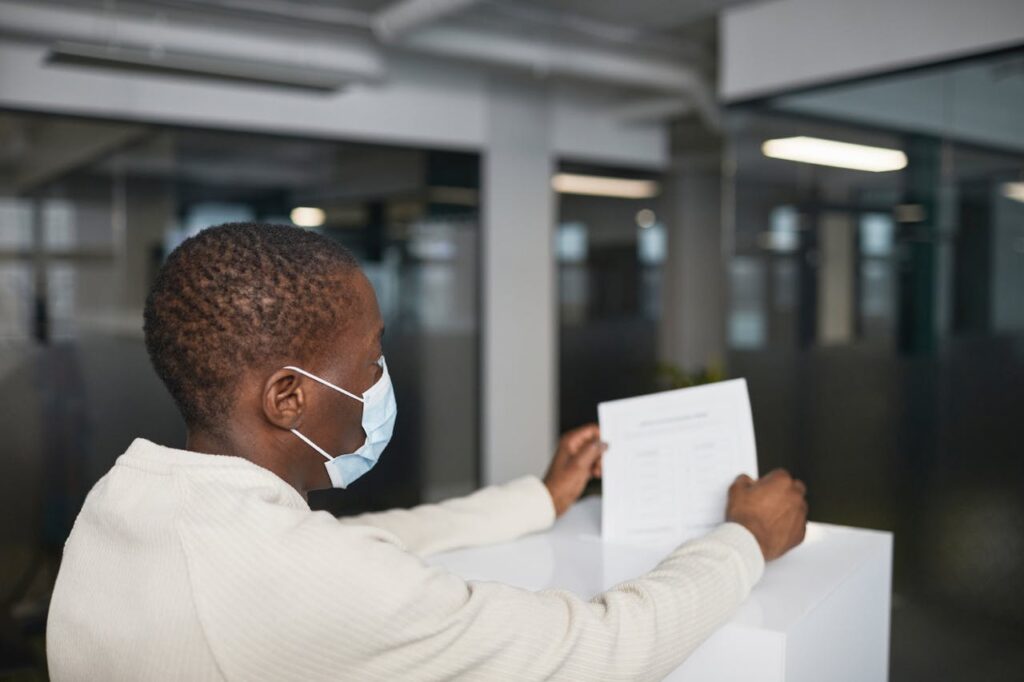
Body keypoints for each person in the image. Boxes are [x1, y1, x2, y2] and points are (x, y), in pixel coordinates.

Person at [46, 222, 808, 681]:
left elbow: (363, 544)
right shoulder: (312, 583)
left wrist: (537, 499)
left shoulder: (128, 506)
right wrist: (745, 539)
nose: (381, 380)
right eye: (372, 359)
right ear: (288, 397)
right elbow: (600, 650)